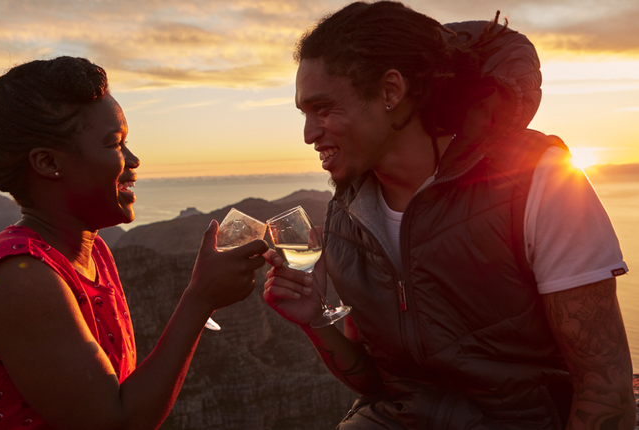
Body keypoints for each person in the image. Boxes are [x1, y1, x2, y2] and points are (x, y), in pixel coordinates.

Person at [262, 2, 636, 429]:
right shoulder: (347, 218)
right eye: (304, 114)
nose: (309, 134)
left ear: (390, 91)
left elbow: (605, 391)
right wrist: (314, 321)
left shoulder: (537, 183)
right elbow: (379, 383)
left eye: (323, 108)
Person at [0, 56, 268, 430]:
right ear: (47, 162)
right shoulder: (20, 277)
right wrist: (200, 298)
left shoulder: (93, 255)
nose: (133, 159)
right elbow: (115, 422)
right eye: (115, 144)